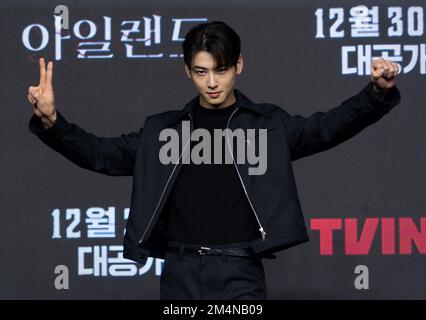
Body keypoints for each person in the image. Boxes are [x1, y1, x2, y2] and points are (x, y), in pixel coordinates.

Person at [27, 21, 401, 300]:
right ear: (187, 71)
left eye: (221, 70)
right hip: (180, 272)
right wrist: (52, 122)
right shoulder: (163, 131)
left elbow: (327, 128)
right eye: (202, 72)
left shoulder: (268, 127)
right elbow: (100, 154)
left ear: (238, 65)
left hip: (240, 271)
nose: (212, 83)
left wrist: (376, 94)